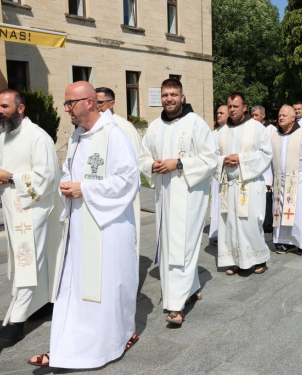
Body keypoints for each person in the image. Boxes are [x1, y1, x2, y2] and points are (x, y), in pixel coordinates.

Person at [28, 81, 139, 368]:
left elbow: (128, 180)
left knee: (104, 286)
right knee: (75, 287)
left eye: (70, 103)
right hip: (81, 224)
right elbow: (70, 170)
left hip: (107, 226)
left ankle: (108, 342)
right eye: (65, 104)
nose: (66, 109)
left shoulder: (114, 135)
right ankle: (66, 346)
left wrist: (84, 190)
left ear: (89, 103)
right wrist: (68, 185)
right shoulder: (77, 136)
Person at [138, 78, 217, 325]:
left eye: (173, 94)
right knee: (171, 247)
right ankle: (191, 288)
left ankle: (175, 305)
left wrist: (179, 163)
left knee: (182, 245)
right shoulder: (154, 127)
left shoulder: (196, 124)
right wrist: (151, 164)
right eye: (165, 95)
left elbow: (211, 159)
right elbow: (142, 155)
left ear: (182, 97)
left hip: (189, 196)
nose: (169, 99)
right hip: (164, 197)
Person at [0, 89, 64, 342]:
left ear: (21, 108)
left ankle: (15, 323)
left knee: (27, 263)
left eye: (5, 106)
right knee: (27, 262)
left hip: (33, 210)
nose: (0, 111)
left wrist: (12, 177)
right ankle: (42, 304)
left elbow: (48, 177)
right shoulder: (4, 134)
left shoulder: (38, 137)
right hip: (13, 209)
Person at [214, 93, 272, 276]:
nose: (232, 109)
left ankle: (258, 258)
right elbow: (211, 156)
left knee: (250, 223)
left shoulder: (257, 128)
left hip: (249, 184)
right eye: (229, 106)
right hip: (229, 185)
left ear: (244, 107)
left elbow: (266, 154)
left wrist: (241, 159)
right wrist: (223, 161)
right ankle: (235, 260)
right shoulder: (221, 131)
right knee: (230, 224)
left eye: (236, 106)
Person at [95, 86, 142, 258]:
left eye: (100, 102)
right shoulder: (93, 127)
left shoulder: (124, 127)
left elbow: (138, 160)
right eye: (94, 102)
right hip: (103, 191)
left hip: (124, 192)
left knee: (125, 238)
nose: (97, 106)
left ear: (112, 103)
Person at [272, 105, 302, 254]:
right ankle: (282, 241)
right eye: (279, 115)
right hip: (279, 180)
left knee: (297, 213)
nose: (281, 117)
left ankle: (300, 242)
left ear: (293, 118)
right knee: (279, 211)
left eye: (284, 115)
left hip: (298, 180)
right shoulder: (275, 135)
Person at [209, 105, 229, 243]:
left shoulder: (232, 131)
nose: (218, 115)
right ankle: (216, 231)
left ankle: (226, 231)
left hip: (228, 174)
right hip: (216, 175)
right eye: (217, 113)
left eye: (222, 113)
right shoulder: (213, 133)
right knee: (216, 203)